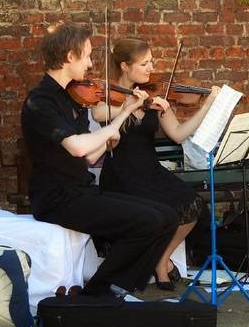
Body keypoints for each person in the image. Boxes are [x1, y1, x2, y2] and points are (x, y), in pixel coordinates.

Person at [21, 23, 178, 297]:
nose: (92, 64)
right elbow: (79, 148)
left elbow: (92, 155)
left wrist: (122, 116)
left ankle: (115, 288)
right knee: (149, 221)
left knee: (167, 216)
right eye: (88, 56)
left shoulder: (75, 99)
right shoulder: (41, 101)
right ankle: (97, 293)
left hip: (81, 190)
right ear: (70, 56)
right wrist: (116, 123)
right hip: (56, 198)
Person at [93, 37, 220, 291]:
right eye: (144, 63)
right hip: (121, 174)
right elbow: (98, 114)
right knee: (162, 211)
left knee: (193, 204)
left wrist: (206, 106)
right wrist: (132, 105)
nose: (151, 68)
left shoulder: (153, 95)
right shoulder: (109, 96)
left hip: (150, 170)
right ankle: (155, 265)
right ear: (125, 67)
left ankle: (161, 260)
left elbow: (178, 133)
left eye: (152, 62)